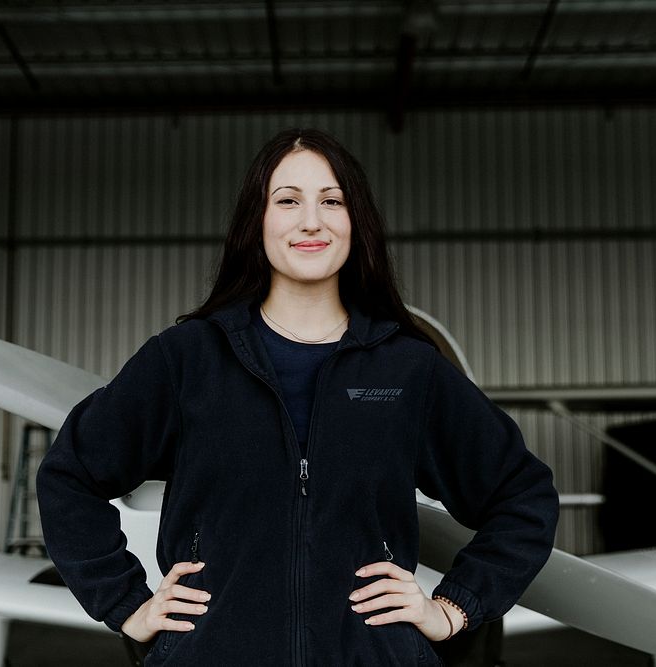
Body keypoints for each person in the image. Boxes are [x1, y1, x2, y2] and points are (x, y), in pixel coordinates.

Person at [36, 128, 559, 666]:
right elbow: (70, 475)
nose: (312, 220)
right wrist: (129, 606)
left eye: (332, 201)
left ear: (356, 222)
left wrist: (452, 609)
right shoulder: (187, 358)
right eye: (288, 200)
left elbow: (523, 495)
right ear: (256, 222)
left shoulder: (408, 368)